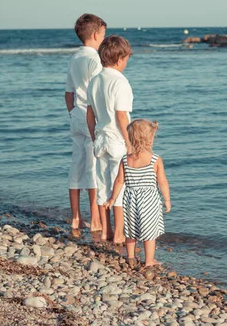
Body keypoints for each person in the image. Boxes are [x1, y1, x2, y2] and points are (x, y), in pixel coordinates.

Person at [104, 119, 171, 267]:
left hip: (130, 200)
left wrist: (113, 198)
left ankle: (131, 257)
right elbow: (162, 182)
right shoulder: (155, 159)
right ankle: (149, 261)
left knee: (130, 229)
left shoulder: (126, 160)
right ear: (149, 139)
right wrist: (167, 200)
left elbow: (119, 181)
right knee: (149, 232)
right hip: (149, 201)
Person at [87, 35, 133, 243]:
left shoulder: (95, 80)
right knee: (119, 188)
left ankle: (106, 231)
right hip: (117, 141)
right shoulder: (120, 82)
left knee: (103, 186)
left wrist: (93, 135)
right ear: (120, 58)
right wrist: (130, 144)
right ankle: (120, 234)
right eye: (127, 58)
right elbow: (121, 116)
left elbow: (90, 114)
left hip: (100, 139)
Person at [65, 14, 106, 231]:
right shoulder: (95, 60)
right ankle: (96, 220)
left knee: (77, 163)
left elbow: (68, 93)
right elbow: (98, 93)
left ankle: (75, 217)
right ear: (96, 34)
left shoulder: (74, 58)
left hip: (76, 116)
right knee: (93, 167)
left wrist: (73, 114)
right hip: (91, 116)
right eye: (103, 35)